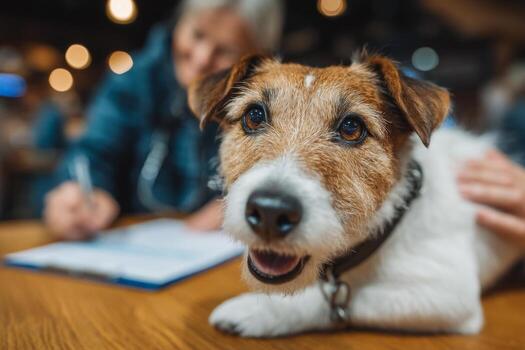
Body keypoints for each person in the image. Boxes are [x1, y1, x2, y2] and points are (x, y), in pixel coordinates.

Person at [43, 0, 284, 239]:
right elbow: (93, 153)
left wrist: (243, 197)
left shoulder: (262, 106)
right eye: (197, 34)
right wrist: (86, 192)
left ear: (256, 57)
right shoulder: (134, 81)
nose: (202, 58)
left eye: (224, 50)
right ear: (179, 22)